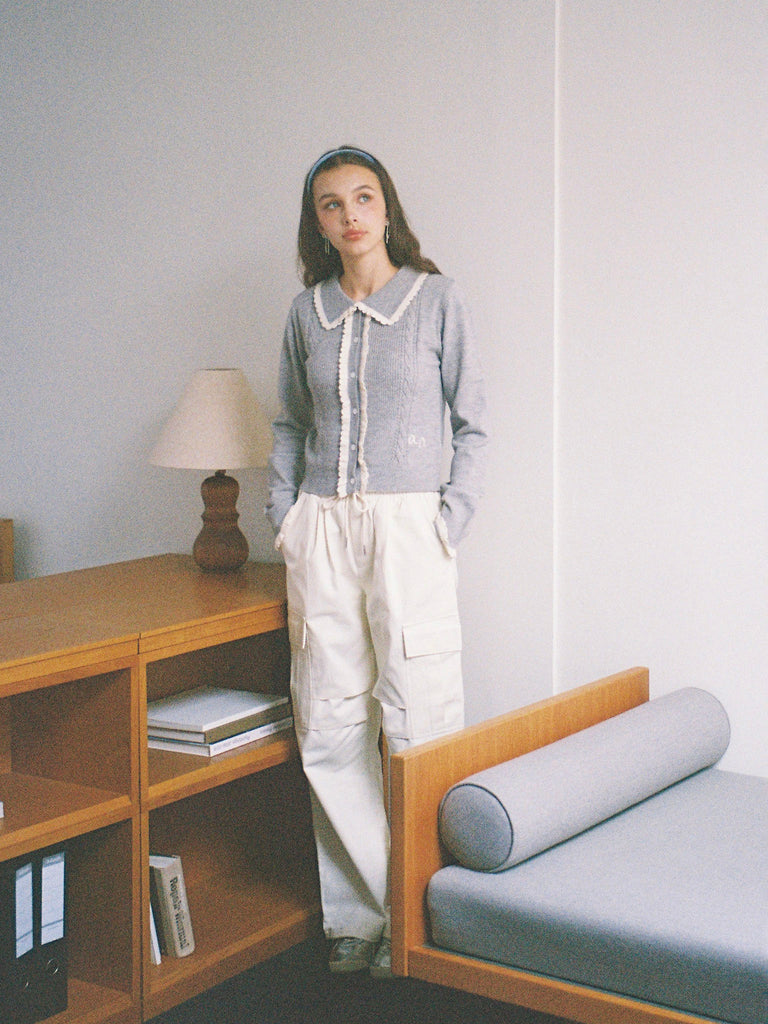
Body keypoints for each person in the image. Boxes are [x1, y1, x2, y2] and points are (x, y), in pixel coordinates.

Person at [266, 146, 488, 979]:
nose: (350, 214)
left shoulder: (436, 300)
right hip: (320, 527)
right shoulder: (306, 314)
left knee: (420, 717)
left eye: (363, 198)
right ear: (318, 224)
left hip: (408, 530)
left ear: (386, 209)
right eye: (331, 204)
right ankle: (361, 915)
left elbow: (474, 423)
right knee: (328, 720)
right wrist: (286, 516)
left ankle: (420, 919)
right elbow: (290, 422)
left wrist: (447, 519)